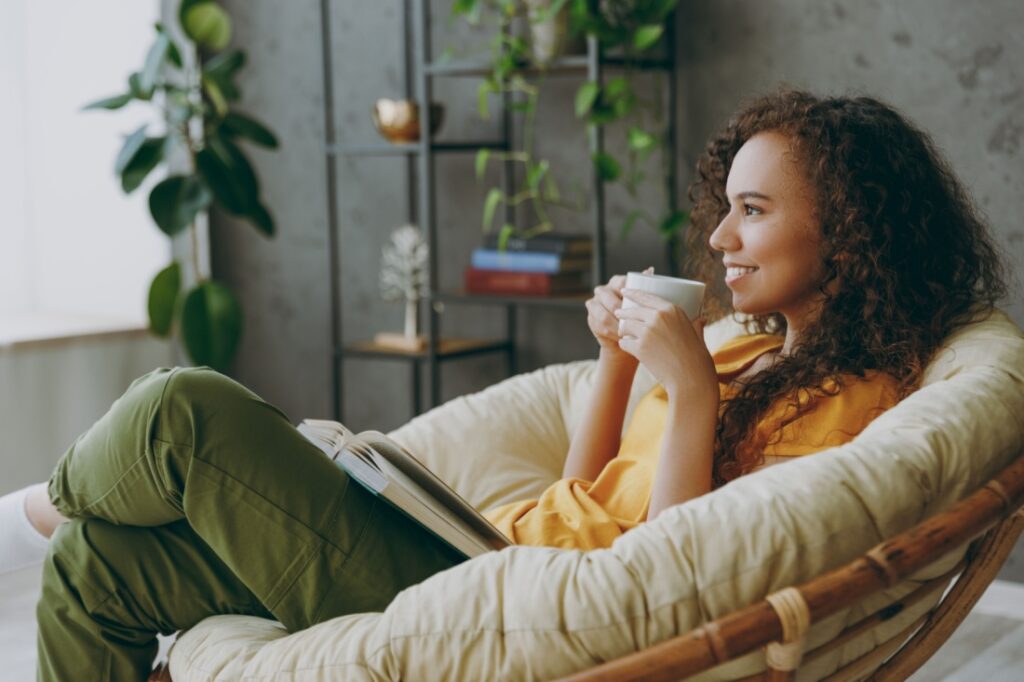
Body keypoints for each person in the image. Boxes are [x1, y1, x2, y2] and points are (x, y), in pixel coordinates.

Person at [0, 88, 1007, 680]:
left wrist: (690, 391)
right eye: (726, 206)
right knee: (102, 563)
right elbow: (587, 491)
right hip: (479, 540)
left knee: (185, 411)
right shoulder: (751, 346)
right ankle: (56, 523)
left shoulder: (855, 398)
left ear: (849, 231)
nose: (716, 237)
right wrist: (619, 365)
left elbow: (680, 567)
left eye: (752, 211)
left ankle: (19, 518)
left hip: (484, 597)